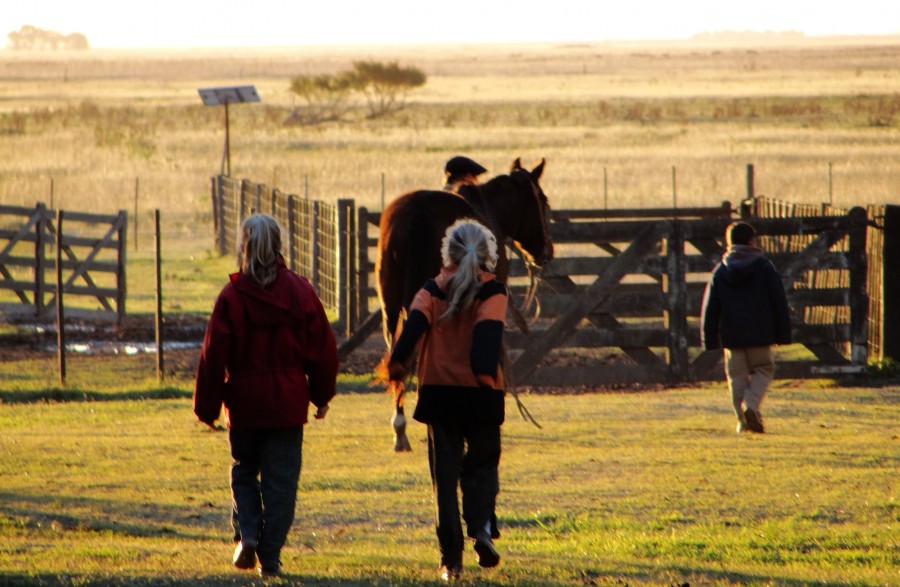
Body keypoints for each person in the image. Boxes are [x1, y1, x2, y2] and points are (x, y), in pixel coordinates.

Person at [194, 213, 338, 578]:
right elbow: (321, 349)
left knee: (245, 472)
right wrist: (322, 396)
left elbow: (213, 356)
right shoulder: (301, 291)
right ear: (279, 246)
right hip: (288, 404)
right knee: (282, 484)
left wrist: (207, 407)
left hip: (244, 403)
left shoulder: (231, 297)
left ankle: (247, 536)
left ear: (243, 246)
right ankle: (270, 556)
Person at [388, 218, 507, 582]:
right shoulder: (494, 290)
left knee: (444, 477)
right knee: (483, 464)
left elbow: (413, 330)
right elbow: (487, 336)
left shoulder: (431, 289)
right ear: (487, 253)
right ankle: (482, 529)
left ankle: (450, 561)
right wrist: (485, 374)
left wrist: (396, 363)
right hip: (482, 393)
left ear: (448, 254)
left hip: (439, 393)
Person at [701, 221, 791, 434]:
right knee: (763, 369)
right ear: (752, 241)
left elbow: (710, 306)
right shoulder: (764, 267)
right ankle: (750, 405)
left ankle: (742, 422)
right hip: (761, 332)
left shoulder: (721, 270)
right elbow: (778, 301)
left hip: (732, 335)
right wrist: (782, 333)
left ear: (728, 243)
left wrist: (709, 337)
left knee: (736, 376)